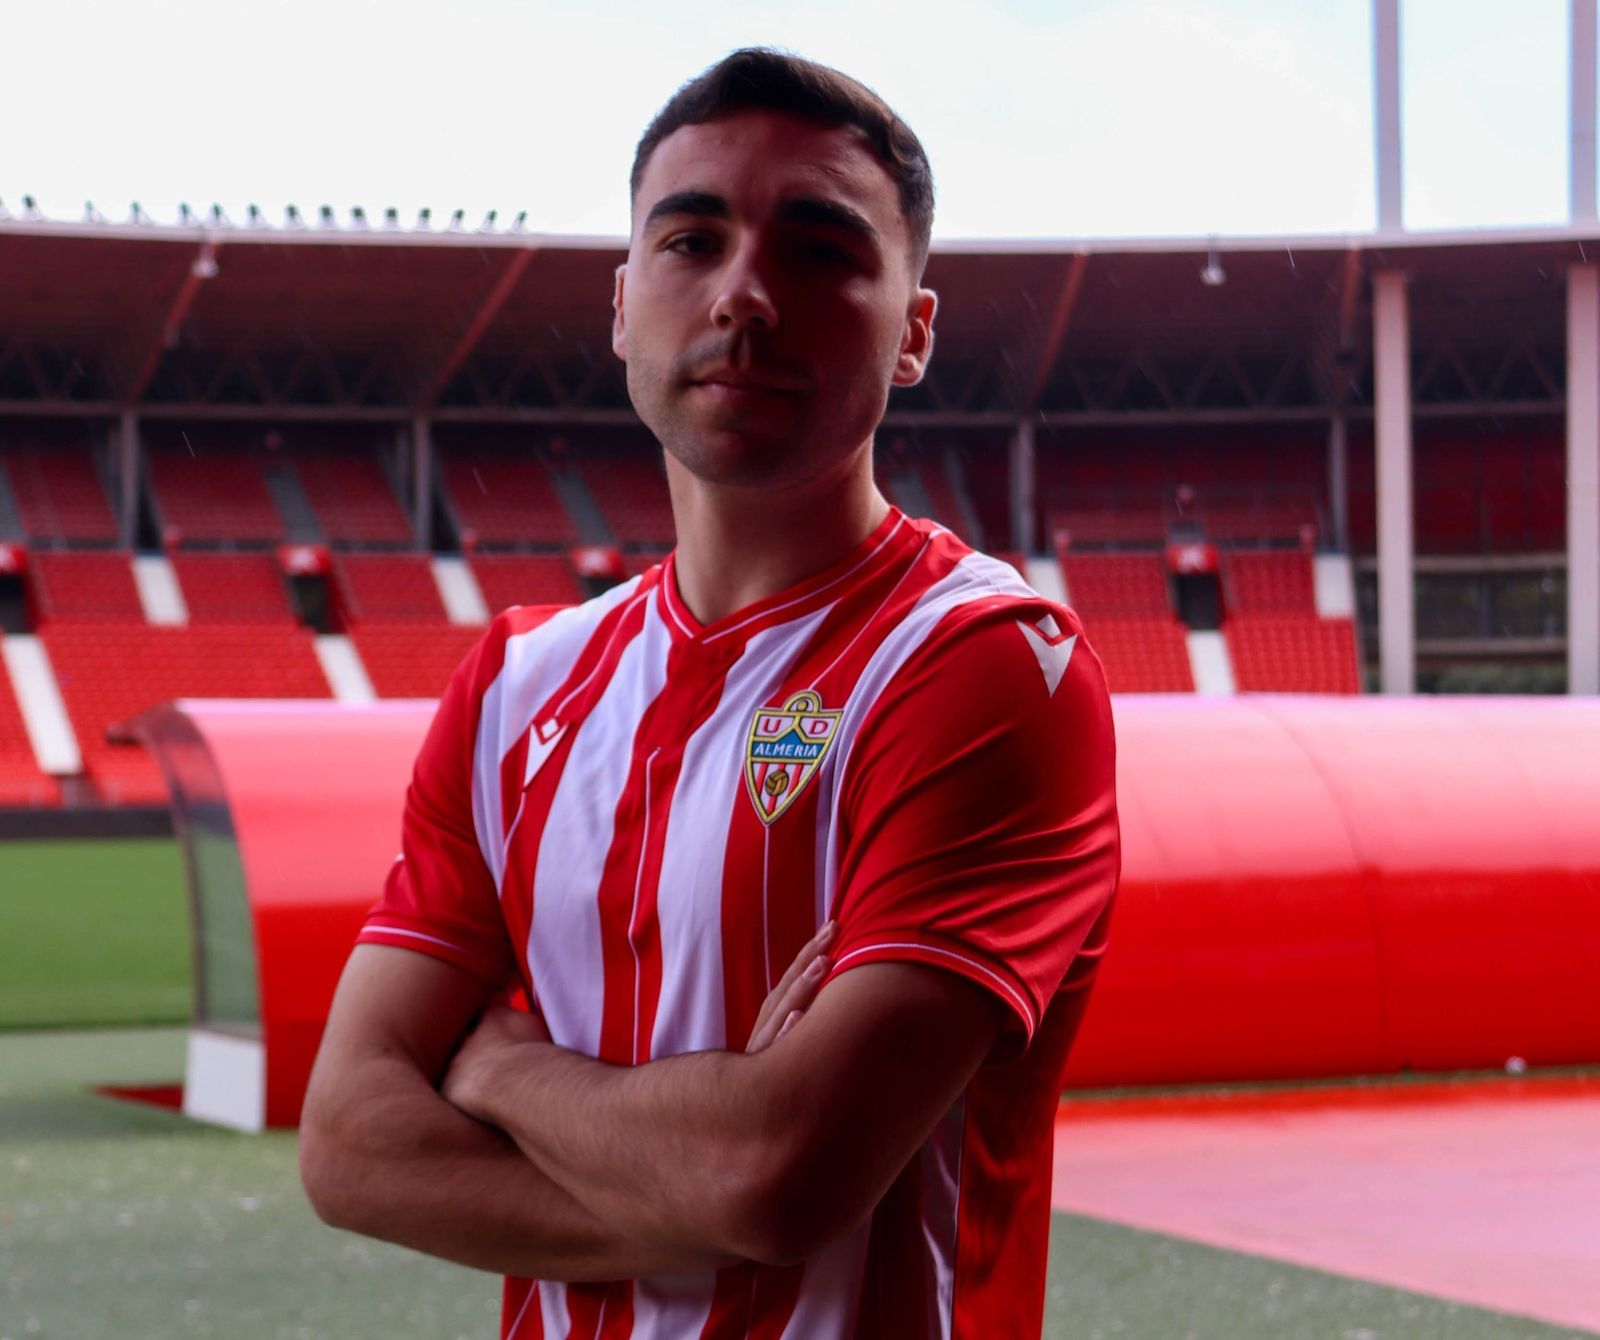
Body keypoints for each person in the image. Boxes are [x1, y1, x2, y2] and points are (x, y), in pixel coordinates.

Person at [299, 47, 1120, 1339]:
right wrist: (707, 1170)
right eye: (693, 240)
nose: (746, 294)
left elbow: (776, 1174)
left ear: (912, 330)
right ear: (625, 305)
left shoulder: (989, 667)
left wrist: (505, 1064)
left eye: (820, 250)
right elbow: (350, 1144)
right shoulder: (515, 687)